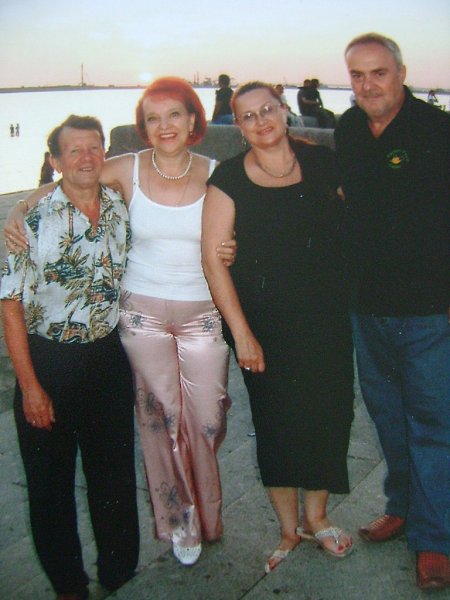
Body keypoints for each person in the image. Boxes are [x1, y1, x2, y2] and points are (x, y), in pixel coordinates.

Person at [5, 77, 236, 567]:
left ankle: (176, 530)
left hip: (170, 323)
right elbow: (67, 181)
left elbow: (233, 226)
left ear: (193, 120)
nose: (164, 126)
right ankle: (175, 525)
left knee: (203, 421)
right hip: (113, 326)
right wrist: (19, 208)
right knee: (152, 424)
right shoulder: (118, 174)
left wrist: (231, 248)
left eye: (174, 115)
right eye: (153, 118)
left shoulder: (204, 177)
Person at [202, 81, 355, 574]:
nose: (261, 121)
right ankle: (289, 530)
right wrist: (242, 333)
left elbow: (364, 215)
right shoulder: (228, 178)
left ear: (284, 111)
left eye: (267, 109)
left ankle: (318, 517)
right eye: (248, 116)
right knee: (276, 423)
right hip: (262, 324)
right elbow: (213, 261)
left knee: (331, 412)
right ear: (238, 126)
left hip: (327, 316)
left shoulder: (322, 162)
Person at [0, 115, 140, 600]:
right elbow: (10, 306)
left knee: (114, 473)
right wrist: (30, 387)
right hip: (49, 362)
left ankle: (119, 570)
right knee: (50, 484)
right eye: (74, 150)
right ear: (56, 161)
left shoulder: (120, 205)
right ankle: (68, 584)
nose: (86, 158)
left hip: (108, 357)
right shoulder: (31, 222)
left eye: (94, 148)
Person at [335, 33, 450, 591]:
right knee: (387, 416)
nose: (368, 85)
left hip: (429, 309)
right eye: (357, 75)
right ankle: (401, 506)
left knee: (431, 422)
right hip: (367, 306)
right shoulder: (348, 128)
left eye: (378, 72)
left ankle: (435, 540)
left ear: (401, 72)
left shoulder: (437, 130)